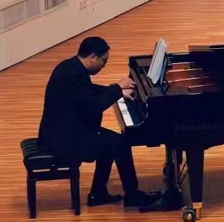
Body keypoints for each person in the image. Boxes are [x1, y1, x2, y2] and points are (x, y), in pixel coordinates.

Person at [37, 36, 157, 208]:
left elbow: (88, 90)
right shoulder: (73, 75)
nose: (103, 66)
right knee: (120, 142)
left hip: (63, 131)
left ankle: (99, 193)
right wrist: (117, 89)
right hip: (63, 141)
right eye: (104, 61)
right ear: (93, 57)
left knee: (112, 141)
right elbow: (94, 106)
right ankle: (130, 194)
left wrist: (117, 90)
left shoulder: (70, 67)